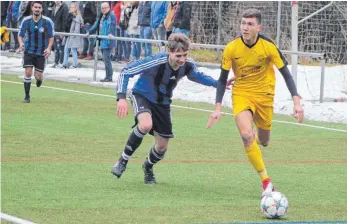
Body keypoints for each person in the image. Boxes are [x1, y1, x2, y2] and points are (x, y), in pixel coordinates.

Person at [206, 8, 304, 197]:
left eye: (250, 24)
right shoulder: (232, 48)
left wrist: (296, 100)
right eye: (243, 23)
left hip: (265, 96)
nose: (245, 27)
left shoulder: (268, 46)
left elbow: (286, 74)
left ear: (259, 27)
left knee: (264, 141)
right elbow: (221, 79)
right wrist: (217, 107)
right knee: (246, 135)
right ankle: (266, 181)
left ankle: (256, 143)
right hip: (241, 93)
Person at [112, 33, 218, 184]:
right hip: (142, 95)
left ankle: (147, 167)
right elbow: (126, 72)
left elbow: (197, 76)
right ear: (170, 51)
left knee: (161, 147)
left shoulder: (187, 65)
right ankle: (123, 160)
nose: (182, 59)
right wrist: (121, 97)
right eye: (178, 55)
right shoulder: (155, 61)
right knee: (145, 124)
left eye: (185, 55)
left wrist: (218, 83)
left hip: (163, 104)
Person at [18, 1, 54, 103]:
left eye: (39, 7)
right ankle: (27, 96)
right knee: (28, 72)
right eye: (35, 7)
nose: (37, 9)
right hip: (28, 51)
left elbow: (51, 36)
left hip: (41, 53)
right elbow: (20, 35)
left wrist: (49, 48)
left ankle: (39, 80)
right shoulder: (26, 21)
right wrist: (21, 44)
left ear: (42, 9)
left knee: (38, 75)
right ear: (32, 8)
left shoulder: (47, 22)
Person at [88, 2, 116, 82]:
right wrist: (89, 32)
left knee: (106, 59)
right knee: (105, 59)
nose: (103, 10)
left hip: (108, 41)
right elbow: (96, 25)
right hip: (103, 40)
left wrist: (111, 33)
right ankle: (108, 76)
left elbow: (113, 25)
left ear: (108, 8)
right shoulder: (101, 16)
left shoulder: (111, 15)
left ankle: (109, 77)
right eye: (102, 8)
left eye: (105, 8)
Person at [62, 3, 83, 69]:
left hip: (73, 36)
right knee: (66, 49)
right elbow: (67, 25)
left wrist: (73, 35)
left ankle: (74, 64)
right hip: (68, 35)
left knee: (73, 50)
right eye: (71, 7)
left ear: (76, 8)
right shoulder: (69, 15)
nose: (71, 8)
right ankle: (64, 64)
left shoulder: (77, 16)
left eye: (73, 7)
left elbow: (77, 29)